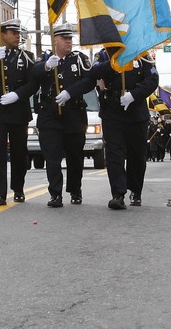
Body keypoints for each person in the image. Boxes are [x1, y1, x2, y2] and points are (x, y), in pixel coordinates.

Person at [67, 49, 159, 209]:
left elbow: (152, 79)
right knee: (114, 153)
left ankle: (135, 190)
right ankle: (118, 194)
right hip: (112, 109)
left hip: (135, 109)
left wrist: (134, 95)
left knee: (137, 154)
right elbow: (93, 72)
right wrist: (114, 63)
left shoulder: (141, 53)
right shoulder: (105, 54)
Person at [0, 19, 38, 206]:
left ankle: (18, 188)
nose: (17, 36)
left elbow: (33, 83)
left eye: (18, 33)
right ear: (2, 34)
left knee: (19, 152)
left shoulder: (27, 56)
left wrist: (18, 95)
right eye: (13, 32)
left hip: (18, 109)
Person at [31, 22, 91, 207]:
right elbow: (32, 76)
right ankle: (55, 193)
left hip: (74, 113)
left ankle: (75, 189)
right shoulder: (45, 60)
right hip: (50, 115)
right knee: (52, 156)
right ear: (54, 40)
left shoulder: (79, 59)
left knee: (75, 156)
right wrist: (46, 67)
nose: (69, 42)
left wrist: (70, 92)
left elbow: (89, 80)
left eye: (70, 38)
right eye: (64, 38)